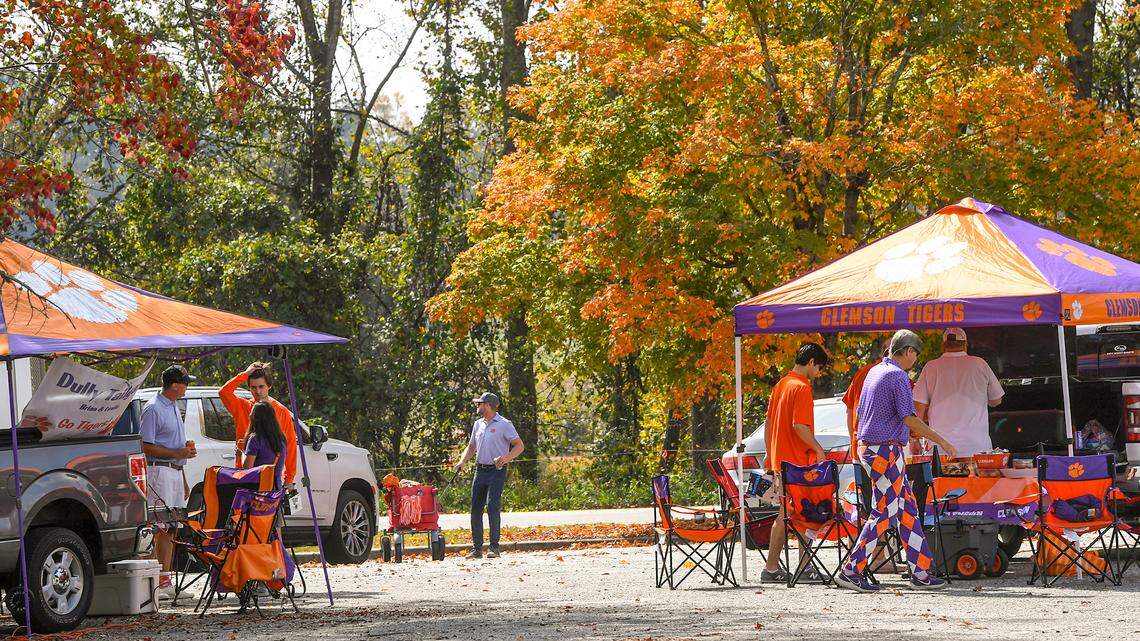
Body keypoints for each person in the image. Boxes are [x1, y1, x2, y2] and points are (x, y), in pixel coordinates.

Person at [835, 330, 958, 593]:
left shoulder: (874, 372)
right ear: (909, 351)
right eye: (916, 354)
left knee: (906, 508)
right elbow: (909, 418)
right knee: (886, 510)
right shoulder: (897, 376)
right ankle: (851, 569)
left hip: (871, 448)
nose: (915, 359)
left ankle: (921, 571)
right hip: (885, 450)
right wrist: (943, 441)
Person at [761, 342, 830, 583]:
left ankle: (775, 567)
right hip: (798, 461)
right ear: (811, 362)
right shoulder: (801, 387)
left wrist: (770, 454)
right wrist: (818, 449)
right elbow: (799, 426)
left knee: (785, 513)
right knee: (805, 511)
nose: (818, 373)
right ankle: (800, 567)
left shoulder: (781, 384)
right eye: (818, 367)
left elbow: (769, 423)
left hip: (781, 460)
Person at [140, 365, 198, 584]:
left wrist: (182, 473)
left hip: (173, 471)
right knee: (156, 527)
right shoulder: (153, 408)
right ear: (175, 385)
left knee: (172, 527)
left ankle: (164, 580)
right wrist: (177, 453)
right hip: (158, 471)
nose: (186, 387)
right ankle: (151, 580)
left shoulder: (173, 405)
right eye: (185, 382)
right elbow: (146, 446)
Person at [453, 392, 524, 559]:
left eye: (480, 403)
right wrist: (462, 461)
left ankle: (494, 548)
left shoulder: (504, 424)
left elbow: (519, 446)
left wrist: (506, 458)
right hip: (480, 470)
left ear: (488, 405)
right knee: (475, 509)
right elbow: (471, 447)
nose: (477, 406)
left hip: (497, 471)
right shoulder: (478, 424)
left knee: (492, 506)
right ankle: (476, 549)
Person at [912, 328, 1004, 457]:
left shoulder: (931, 367)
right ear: (965, 344)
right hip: (977, 446)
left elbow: (918, 408)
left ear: (943, 345)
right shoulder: (979, 364)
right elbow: (996, 400)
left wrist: (915, 439)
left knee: (940, 477)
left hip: (940, 448)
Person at [220, 362, 298, 490]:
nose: (258, 391)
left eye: (261, 386)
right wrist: (245, 374)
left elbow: (290, 446)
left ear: (269, 386)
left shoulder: (281, 411)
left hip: (270, 480)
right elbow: (223, 392)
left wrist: (289, 479)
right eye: (253, 387)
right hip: (244, 477)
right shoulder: (242, 406)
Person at [842, 338, 891, 462]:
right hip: (885, 451)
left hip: (860, 447)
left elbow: (849, 409)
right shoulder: (896, 375)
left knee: (863, 481)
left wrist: (852, 439)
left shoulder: (862, 372)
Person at [242, 401, 287, 489]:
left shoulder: (255, 439)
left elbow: (247, 468)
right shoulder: (281, 439)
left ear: (255, 418)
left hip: (258, 491)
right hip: (275, 489)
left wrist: (241, 455)